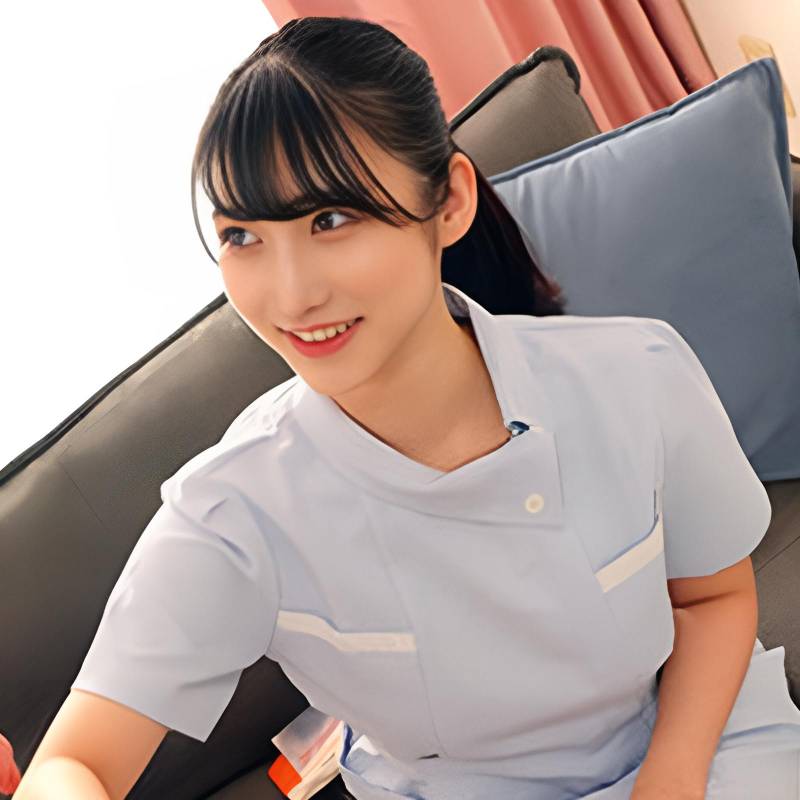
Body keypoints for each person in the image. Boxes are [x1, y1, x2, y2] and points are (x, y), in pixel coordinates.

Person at [17, 15, 800, 800]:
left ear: (450, 201)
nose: (291, 295)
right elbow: (73, 764)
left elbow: (712, 598)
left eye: (330, 219)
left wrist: (670, 780)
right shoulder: (235, 510)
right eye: (243, 237)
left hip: (695, 757)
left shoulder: (635, 376)